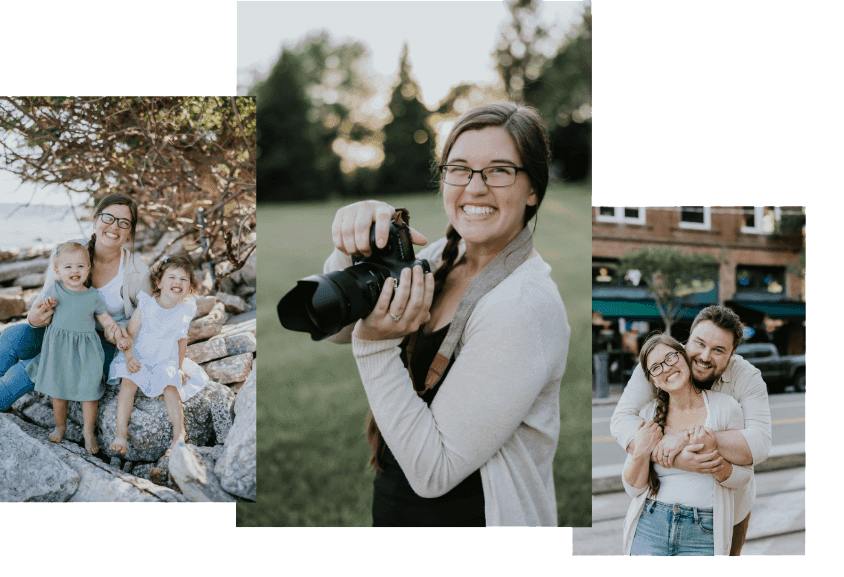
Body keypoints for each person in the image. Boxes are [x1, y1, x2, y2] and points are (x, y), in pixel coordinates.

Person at [323, 102, 570, 526]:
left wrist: (375, 347)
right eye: (459, 169)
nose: (474, 187)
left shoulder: (523, 305)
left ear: (533, 189)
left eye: (499, 170)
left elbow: (434, 471)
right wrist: (349, 252)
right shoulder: (440, 258)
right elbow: (336, 330)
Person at [611, 305, 771, 554]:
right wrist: (676, 459)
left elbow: (758, 445)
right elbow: (621, 420)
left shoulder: (745, 380)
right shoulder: (663, 363)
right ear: (687, 338)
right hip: (653, 522)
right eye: (700, 343)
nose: (705, 356)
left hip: (729, 506)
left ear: (732, 354)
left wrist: (684, 439)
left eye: (718, 350)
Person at [0, 193, 151, 413]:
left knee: (33, 367)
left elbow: (146, 323)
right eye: (108, 218)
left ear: (130, 231)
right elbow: (43, 303)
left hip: (101, 346)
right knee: (13, 335)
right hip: (62, 332)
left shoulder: (138, 272)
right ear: (96, 220)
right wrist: (34, 318)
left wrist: (121, 333)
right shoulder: (69, 251)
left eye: (124, 222)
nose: (114, 226)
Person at [25, 242, 129, 454]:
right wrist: (48, 304)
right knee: (58, 391)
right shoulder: (55, 290)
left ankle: (88, 431)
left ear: (89, 268)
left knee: (89, 392)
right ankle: (60, 426)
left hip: (86, 352)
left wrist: (116, 331)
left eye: (80, 266)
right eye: (68, 267)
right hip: (59, 351)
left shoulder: (92, 296)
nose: (75, 271)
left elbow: (106, 319)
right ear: (57, 271)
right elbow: (42, 310)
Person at [108, 255, 208, 455]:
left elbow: (181, 340)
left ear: (190, 287)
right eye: (172, 277)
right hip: (139, 355)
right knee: (128, 383)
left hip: (164, 359)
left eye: (183, 279)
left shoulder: (185, 310)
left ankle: (179, 435)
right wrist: (129, 359)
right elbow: (129, 335)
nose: (177, 283)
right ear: (159, 283)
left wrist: (179, 368)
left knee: (171, 385)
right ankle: (121, 433)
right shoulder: (147, 305)